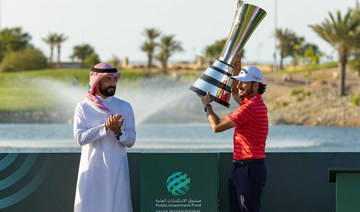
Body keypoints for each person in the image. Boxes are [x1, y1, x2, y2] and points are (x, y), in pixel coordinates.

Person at [196, 54, 268, 212]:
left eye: (244, 82)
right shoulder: (251, 102)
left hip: (249, 170)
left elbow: (217, 126)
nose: (240, 85)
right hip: (241, 168)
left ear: (256, 86)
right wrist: (237, 64)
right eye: (240, 81)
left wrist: (207, 106)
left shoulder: (250, 107)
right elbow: (235, 92)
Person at [73, 63, 136, 212]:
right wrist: (105, 128)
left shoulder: (125, 107)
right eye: (108, 79)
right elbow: (80, 138)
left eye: (114, 79)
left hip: (116, 170)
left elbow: (131, 140)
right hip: (92, 171)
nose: (112, 84)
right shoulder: (83, 107)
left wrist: (118, 132)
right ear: (97, 81)